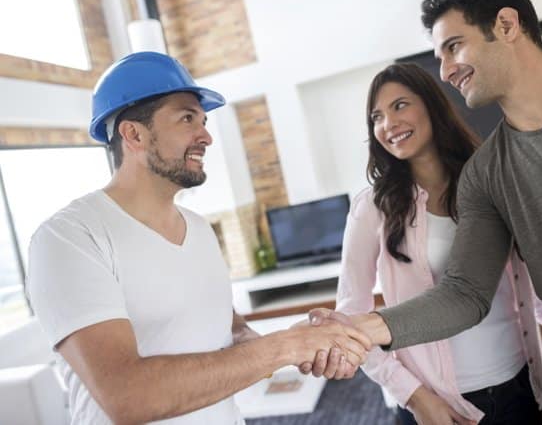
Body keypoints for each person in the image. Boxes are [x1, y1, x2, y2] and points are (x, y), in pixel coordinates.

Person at [309, 0, 542, 425]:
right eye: (439, 57)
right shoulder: (486, 173)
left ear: (506, 25)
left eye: (453, 47)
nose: (445, 71)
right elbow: (465, 292)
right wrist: (363, 329)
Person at [26, 51, 371, 425]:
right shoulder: (70, 238)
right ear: (134, 134)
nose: (206, 135)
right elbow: (127, 395)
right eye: (187, 118)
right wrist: (283, 347)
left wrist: (300, 344)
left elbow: (232, 330)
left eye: (203, 120)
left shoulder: (200, 229)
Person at [336, 63, 542, 425]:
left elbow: (537, 287)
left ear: (431, 106)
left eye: (400, 105)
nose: (388, 123)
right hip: (439, 403)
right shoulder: (372, 207)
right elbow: (351, 316)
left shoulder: (489, 182)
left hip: (520, 385)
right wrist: (414, 398)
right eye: (377, 116)